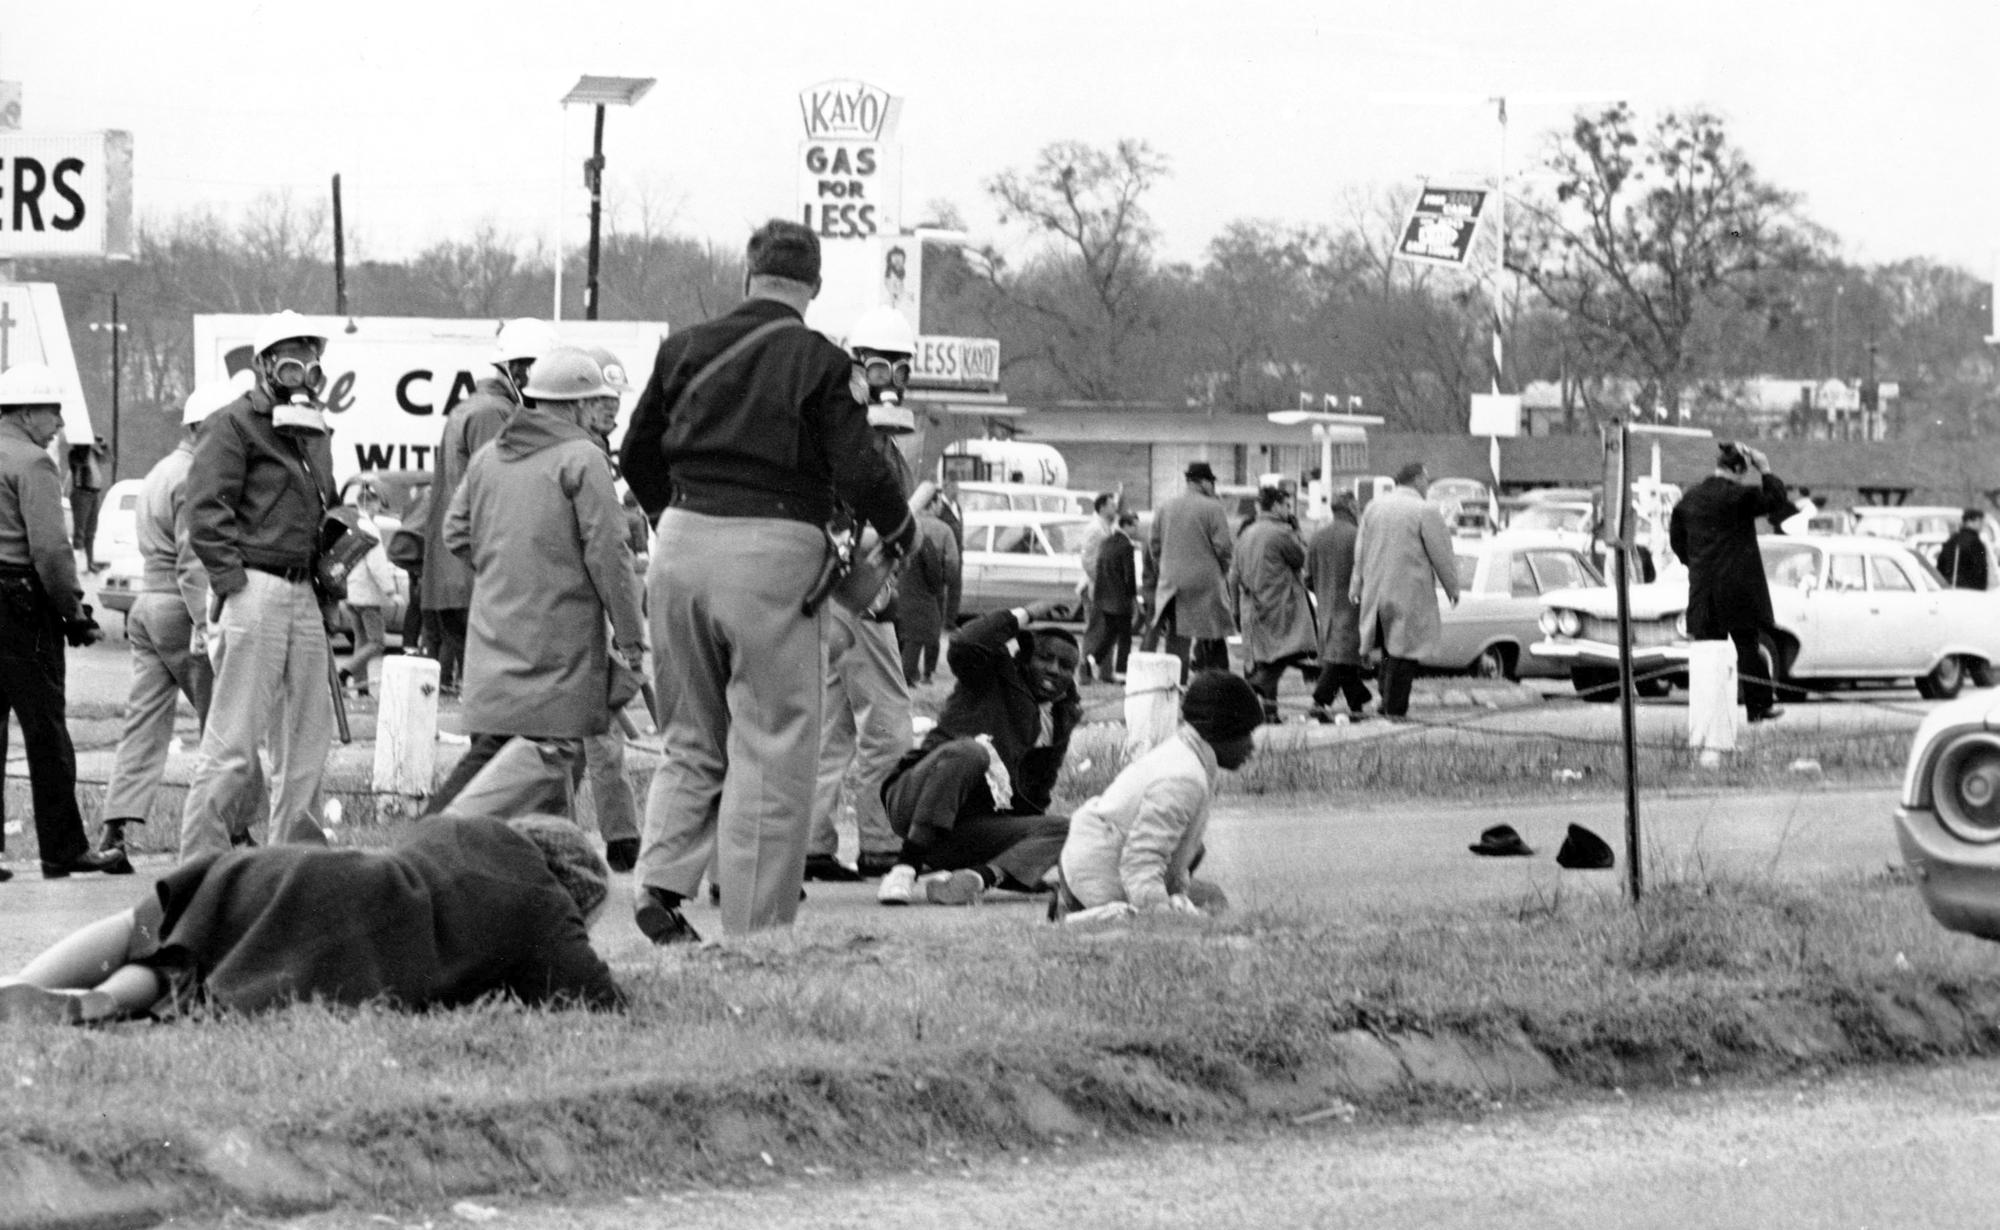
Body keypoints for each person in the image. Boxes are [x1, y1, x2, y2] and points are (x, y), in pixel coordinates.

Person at [619, 219, 915, 941]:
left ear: (747, 274)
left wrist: (675, 520)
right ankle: (755, 933)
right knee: (774, 740)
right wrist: (899, 527)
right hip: (774, 549)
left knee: (692, 735)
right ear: (812, 285)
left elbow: (634, 454)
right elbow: (858, 469)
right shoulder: (821, 361)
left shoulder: (682, 347)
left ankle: (658, 882)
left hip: (680, 544)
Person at [0, 814, 622, 1024]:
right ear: (575, 889)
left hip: (300, 865)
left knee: (155, 926)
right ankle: (99, 1006)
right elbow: (598, 1003)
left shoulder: (477, 829)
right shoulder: (545, 907)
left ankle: (21, 985)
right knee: (185, 978)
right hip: (355, 917)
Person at [427, 349, 647, 824]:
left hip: (494, 641)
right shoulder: (583, 458)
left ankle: (535, 877)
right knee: (542, 759)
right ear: (578, 405)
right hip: (557, 650)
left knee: (504, 760)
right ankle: (424, 847)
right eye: (600, 402)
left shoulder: (489, 457)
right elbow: (610, 554)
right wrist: (631, 637)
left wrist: (510, 572)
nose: (606, 412)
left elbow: (455, 534)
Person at [179, 311, 341, 862]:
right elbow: (204, 510)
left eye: (311, 361)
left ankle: (295, 863)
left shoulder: (315, 431)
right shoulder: (233, 424)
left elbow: (322, 507)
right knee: (234, 744)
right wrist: (232, 581)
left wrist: (334, 567)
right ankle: (199, 866)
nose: (302, 373)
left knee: (307, 743)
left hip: (303, 592)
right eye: (290, 360)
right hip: (257, 588)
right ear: (265, 364)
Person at [99, 381, 265, 855]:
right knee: (228, 722)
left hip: (147, 605)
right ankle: (238, 828)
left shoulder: (158, 472)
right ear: (207, 426)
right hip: (183, 606)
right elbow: (194, 561)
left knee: (145, 721)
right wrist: (206, 625)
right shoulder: (197, 475)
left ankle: (117, 824)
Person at [805, 307, 924, 883]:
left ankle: (812, 842)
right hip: (863, 600)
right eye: (881, 365)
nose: (892, 378)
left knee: (832, 732)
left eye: (901, 368)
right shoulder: (859, 440)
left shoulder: (863, 435)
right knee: (888, 728)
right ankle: (880, 840)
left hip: (837, 600)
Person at [0, 363, 125, 881]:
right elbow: (50, 550)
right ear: (27, 413)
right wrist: (73, 611)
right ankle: (63, 847)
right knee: (46, 732)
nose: (58, 425)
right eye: (53, 413)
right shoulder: (33, 464)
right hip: (20, 602)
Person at [876, 600, 1080, 908]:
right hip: (913, 799)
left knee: (1065, 827)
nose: (1054, 669)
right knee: (973, 752)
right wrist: (1029, 614)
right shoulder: (991, 673)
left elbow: (1036, 794)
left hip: (968, 830)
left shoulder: (1060, 717)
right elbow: (966, 641)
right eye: (1045, 658)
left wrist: (1027, 856)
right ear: (1024, 659)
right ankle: (905, 868)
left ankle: (978, 878)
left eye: (1065, 666)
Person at [1054, 670, 1263, 921]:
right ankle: (1086, 916)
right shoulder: (1183, 778)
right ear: (1218, 732)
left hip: (1092, 860)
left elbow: (1172, 859)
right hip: (1093, 872)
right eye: (1245, 734)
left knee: (1205, 889)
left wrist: (1178, 895)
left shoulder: (1187, 754)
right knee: (1209, 907)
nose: (1252, 747)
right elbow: (1141, 863)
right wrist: (1163, 917)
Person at [421, 318, 554, 695]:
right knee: (499, 694)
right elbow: (498, 495)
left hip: (459, 575)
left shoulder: (475, 408)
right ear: (518, 369)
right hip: (474, 575)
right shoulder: (492, 414)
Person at [1668, 441, 1796, 724]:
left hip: (1703, 589)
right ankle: (1759, 706)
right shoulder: (1740, 497)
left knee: (1707, 653)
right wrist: (1765, 468)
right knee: (1747, 647)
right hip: (1738, 589)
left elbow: (1677, 540)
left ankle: (1708, 717)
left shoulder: (1690, 500)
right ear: (1739, 469)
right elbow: (1776, 500)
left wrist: (1695, 564)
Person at [1351, 462, 1460, 721]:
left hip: (1377, 591)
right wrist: (1452, 587)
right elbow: (1441, 553)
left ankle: (1385, 700)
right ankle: (1395, 708)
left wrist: (1356, 583)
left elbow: (1361, 549)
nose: (1428, 485)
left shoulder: (1374, 507)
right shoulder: (1425, 511)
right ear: (1418, 480)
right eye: (1427, 479)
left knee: (1389, 650)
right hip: (1408, 592)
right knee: (1405, 652)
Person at [1230, 486, 1318, 723]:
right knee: (1283, 654)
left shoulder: (1246, 534)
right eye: (1286, 505)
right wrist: (1296, 530)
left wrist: (1236, 608)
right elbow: (1301, 558)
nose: (1289, 509)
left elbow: (1233, 574)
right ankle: (1249, 694)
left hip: (1253, 605)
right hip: (1280, 605)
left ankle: (1268, 712)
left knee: (1265, 658)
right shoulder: (1280, 533)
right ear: (1277, 505)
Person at [1147, 461, 1235, 676]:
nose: (1213, 487)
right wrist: (1221, 570)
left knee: (1177, 640)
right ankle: (1213, 684)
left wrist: (1166, 569)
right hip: (1206, 583)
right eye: (1211, 482)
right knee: (1212, 636)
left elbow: (1154, 545)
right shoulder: (1214, 508)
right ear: (1203, 482)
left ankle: (1176, 683)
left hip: (1173, 583)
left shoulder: (1165, 507)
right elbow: (1223, 547)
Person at [1302, 492, 1373, 722]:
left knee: (1342, 660)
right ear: (1352, 507)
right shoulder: (1357, 536)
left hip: (1327, 608)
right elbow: (1368, 573)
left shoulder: (1317, 537)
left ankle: (1357, 704)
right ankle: (1319, 703)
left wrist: (1323, 592)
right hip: (1353, 607)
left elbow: (1308, 578)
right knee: (1341, 660)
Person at [336, 483, 398, 700]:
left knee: (361, 641)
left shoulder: (352, 524)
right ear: (370, 503)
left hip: (350, 593)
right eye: (378, 504)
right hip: (367, 596)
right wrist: (390, 591)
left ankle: (361, 688)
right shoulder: (371, 528)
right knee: (377, 642)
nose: (379, 508)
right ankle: (343, 674)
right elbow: (377, 564)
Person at [894, 492, 955, 685]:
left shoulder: (908, 526)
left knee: (904, 633)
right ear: (933, 504)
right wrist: (945, 582)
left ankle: (910, 675)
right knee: (928, 632)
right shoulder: (944, 529)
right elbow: (952, 561)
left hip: (903, 586)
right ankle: (926, 672)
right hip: (929, 589)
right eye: (939, 503)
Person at [1085, 511, 1141, 683]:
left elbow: (1100, 569)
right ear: (1126, 525)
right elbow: (1129, 575)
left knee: (1110, 634)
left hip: (1104, 598)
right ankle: (1121, 673)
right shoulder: (1126, 546)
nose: (1135, 530)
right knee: (1125, 638)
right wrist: (1133, 599)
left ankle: (1092, 660)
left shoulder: (1107, 542)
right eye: (1134, 526)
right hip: (1120, 599)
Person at [1075, 492, 1118, 682]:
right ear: (1102, 507)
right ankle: (1085, 673)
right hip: (1096, 588)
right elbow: (1088, 559)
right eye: (1111, 505)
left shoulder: (1106, 528)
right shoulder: (1095, 529)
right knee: (1095, 630)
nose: (1115, 508)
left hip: (1105, 588)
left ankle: (1106, 672)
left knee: (1108, 629)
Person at [68, 434, 108, 572]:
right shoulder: (75, 454)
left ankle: (89, 562)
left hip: (94, 493)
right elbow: (81, 464)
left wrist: (102, 444)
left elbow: (108, 459)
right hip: (82, 493)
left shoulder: (94, 453)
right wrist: (86, 445)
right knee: (80, 531)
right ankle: (78, 565)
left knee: (91, 531)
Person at [1936, 508, 1990, 591]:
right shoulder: (1976, 543)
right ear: (1969, 521)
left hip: (1948, 587)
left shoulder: (1952, 540)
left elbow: (1941, 565)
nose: (1982, 525)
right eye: (1980, 521)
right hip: (1970, 590)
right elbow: (1980, 570)